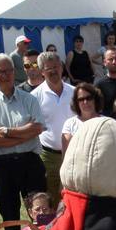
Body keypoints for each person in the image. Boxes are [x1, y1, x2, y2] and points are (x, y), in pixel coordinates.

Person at [0, 54, 46, 230]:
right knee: (10, 217)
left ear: (14, 72)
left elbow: (37, 128)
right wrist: (26, 134)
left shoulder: (29, 99)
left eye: (9, 70)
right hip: (4, 167)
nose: (6, 75)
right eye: (1, 71)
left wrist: (8, 132)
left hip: (30, 163)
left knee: (40, 212)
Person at [33, 51, 74, 205]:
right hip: (48, 156)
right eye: (48, 68)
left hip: (74, 152)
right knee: (50, 197)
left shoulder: (75, 92)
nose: (53, 71)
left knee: (73, 193)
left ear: (62, 68)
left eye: (55, 66)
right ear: (41, 72)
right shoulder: (35, 96)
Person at [60, 82, 102, 152]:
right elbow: (66, 154)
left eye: (89, 98)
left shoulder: (106, 122)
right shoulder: (70, 124)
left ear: (95, 99)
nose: (85, 102)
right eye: (81, 99)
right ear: (76, 103)